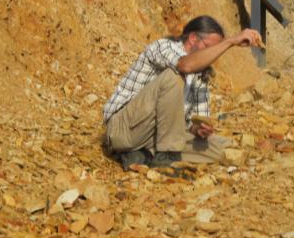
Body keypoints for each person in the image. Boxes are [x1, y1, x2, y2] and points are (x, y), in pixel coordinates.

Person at [103, 15, 263, 170]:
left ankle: (144, 155)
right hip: (123, 130)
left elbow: (190, 124)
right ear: (193, 38)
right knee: (174, 76)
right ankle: (163, 156)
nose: (212, 55)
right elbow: (184, 66)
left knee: (217, 149)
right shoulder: (163, 46)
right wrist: (230, 41)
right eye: (209, 47)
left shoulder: (202, 74)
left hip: (158, 137)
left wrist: (199, 129)